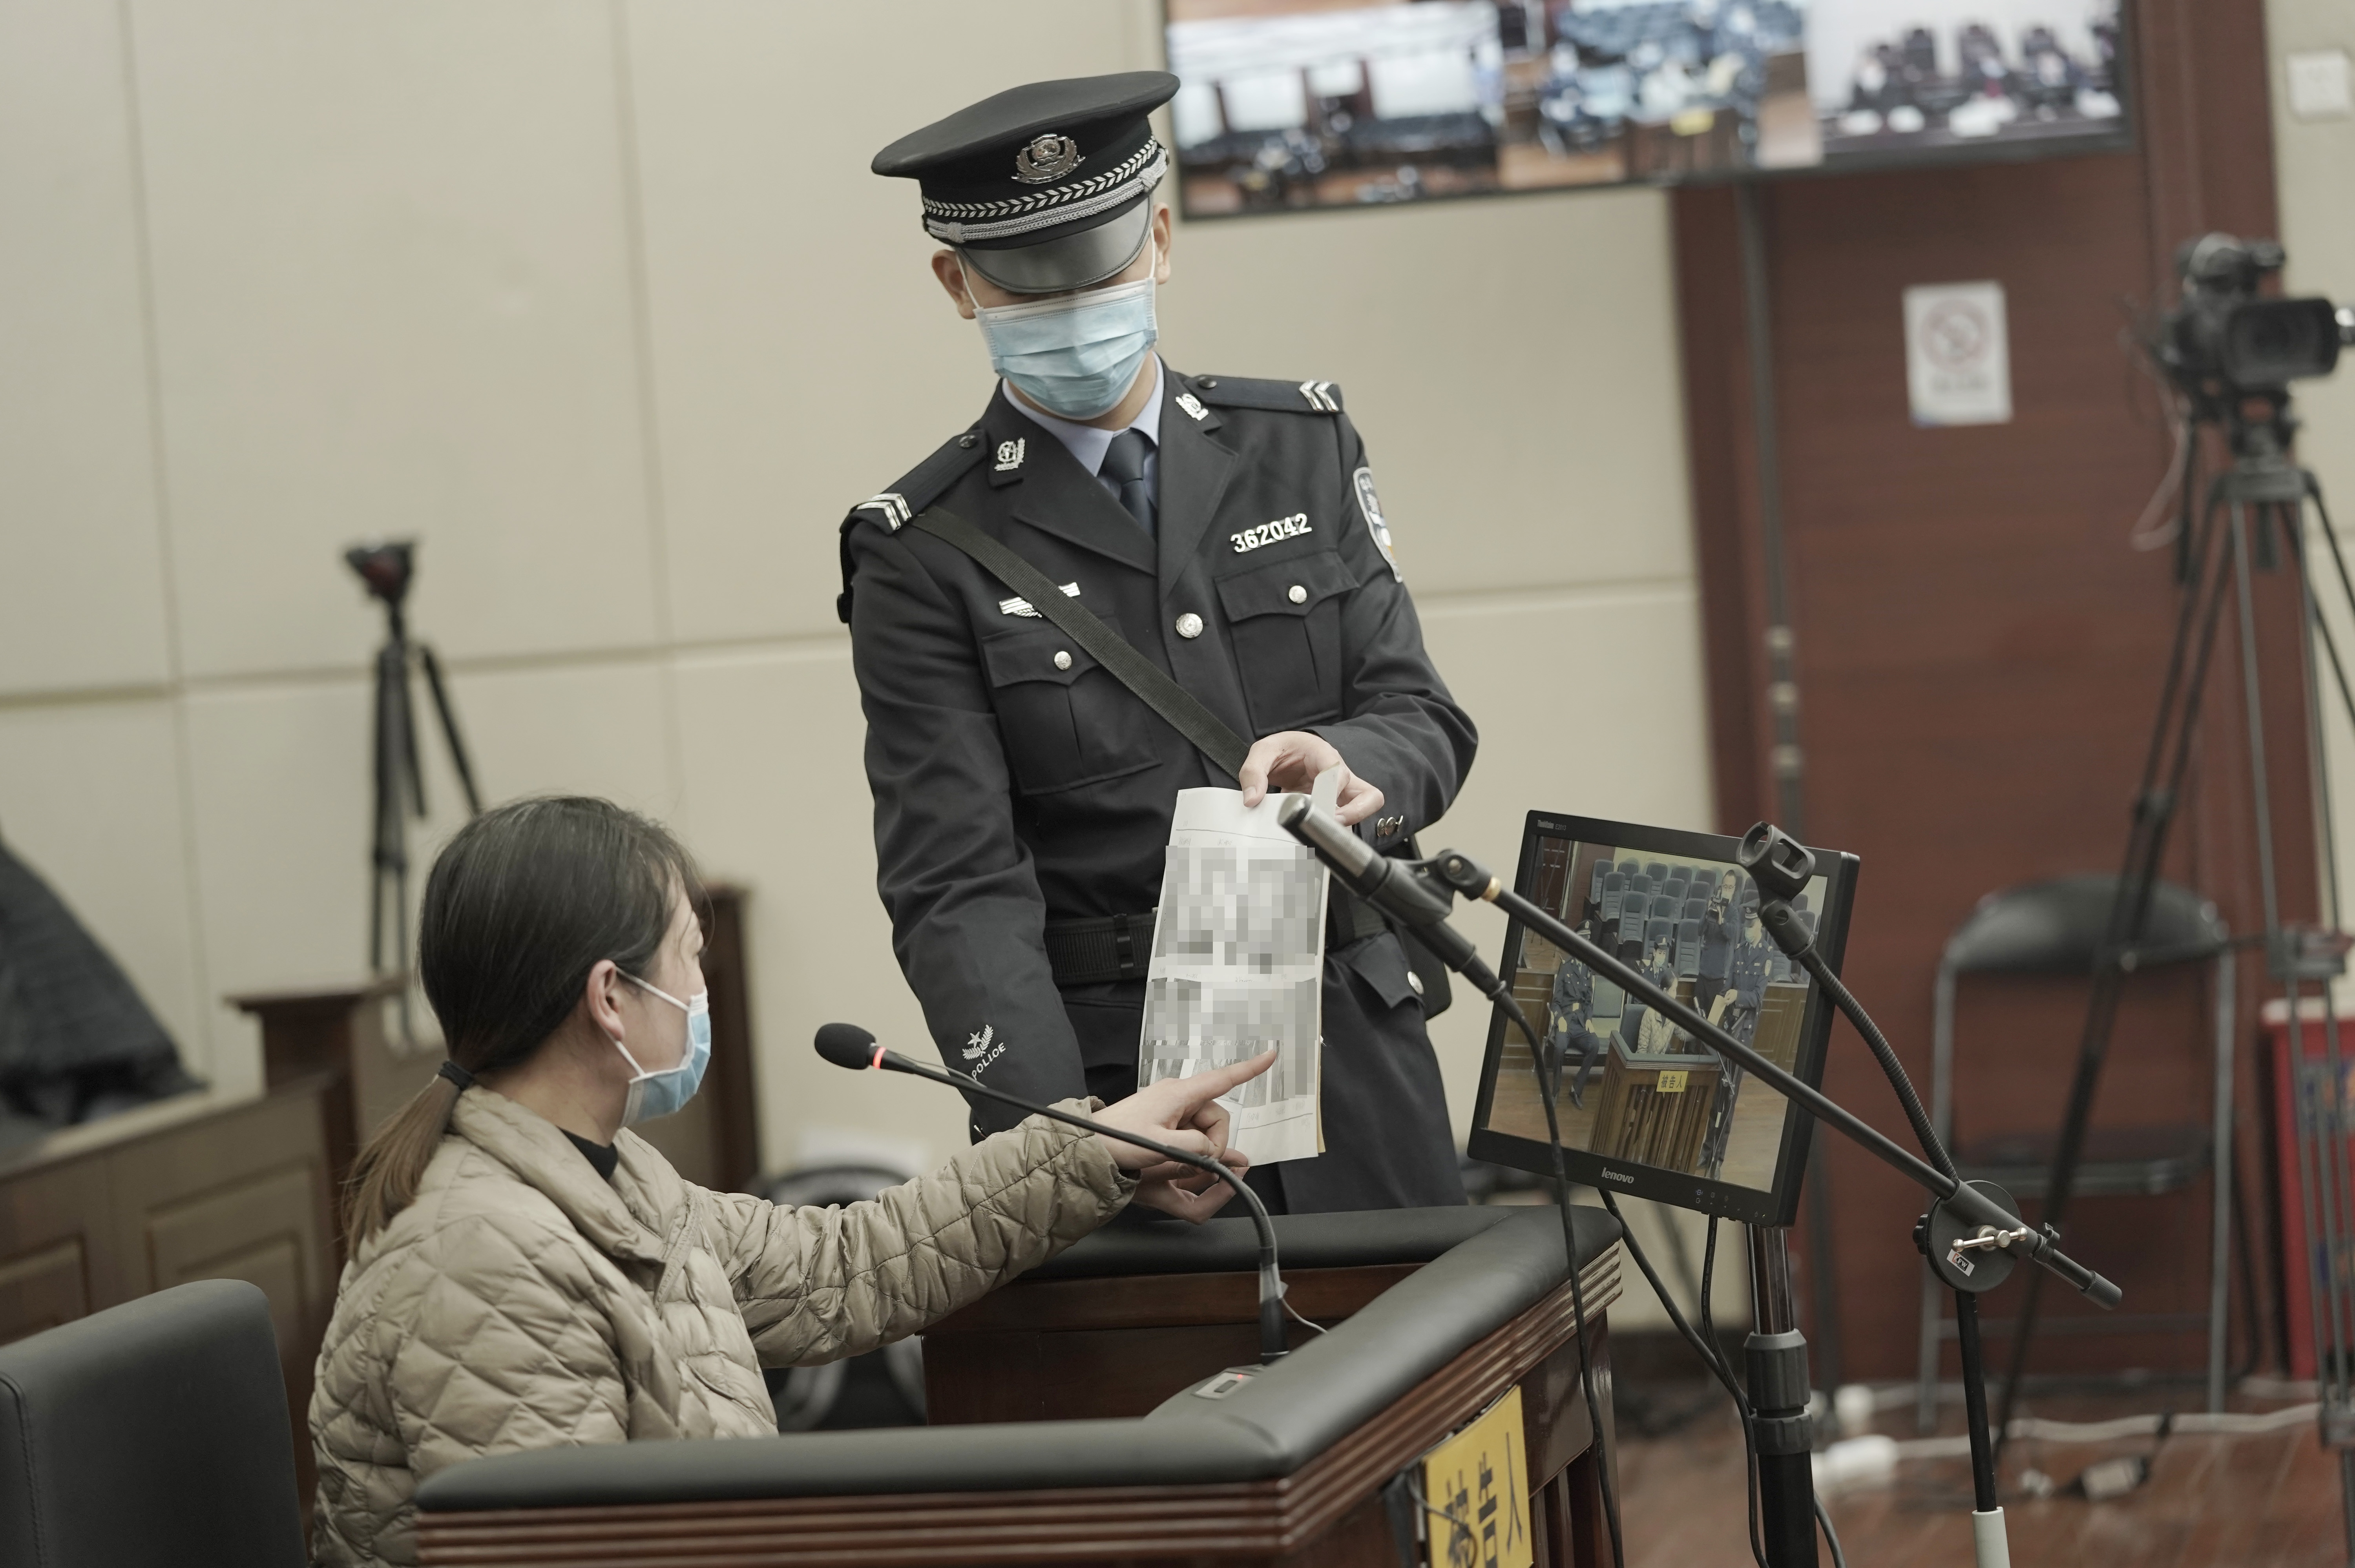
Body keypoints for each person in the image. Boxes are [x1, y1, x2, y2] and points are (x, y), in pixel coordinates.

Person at [307, 797, 1269, 1568]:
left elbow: (840, 1266)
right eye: (690, 958)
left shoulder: (613, 1174)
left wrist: (1095, 1149)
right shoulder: (481, 1255)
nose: (701, 989)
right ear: (610, 998)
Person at [837, 73, 1479, 1213]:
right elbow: (958, 887)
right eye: (1028, 276)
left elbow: (1421, 714)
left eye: (1100, 263)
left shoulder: (1300, 448)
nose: (1074, 301)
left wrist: (1352, 766)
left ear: (1162, 242)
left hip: (1356, 1056)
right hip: (1130, 1096)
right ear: (958, 283)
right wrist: (1070, 1146)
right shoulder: (925, 551)